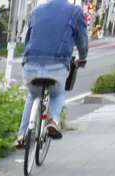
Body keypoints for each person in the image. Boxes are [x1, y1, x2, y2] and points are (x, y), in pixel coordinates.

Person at [17, 0, 89, 143]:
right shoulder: (75, 11)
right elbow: (82, 40)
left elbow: (27, 38)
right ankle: (53, 120)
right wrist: (83, 57)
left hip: (31, 64)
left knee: (33, 96)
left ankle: (22, 135)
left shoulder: (37, 10)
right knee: (58, 94)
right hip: (57, 65)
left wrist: (28, 57)